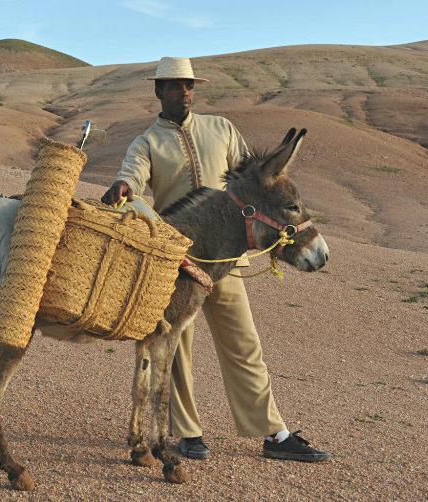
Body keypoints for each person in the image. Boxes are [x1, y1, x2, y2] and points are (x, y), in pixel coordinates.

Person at [100, 57, 330, 462]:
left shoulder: (221, 128)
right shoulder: (147, 142)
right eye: (174, 86)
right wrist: (124, 184)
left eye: (188, 85)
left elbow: (257, 176)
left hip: (229, 260)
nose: (183, 92)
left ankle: (274, 433)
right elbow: (132, 173)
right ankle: (187, 432)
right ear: (158, 91)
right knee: (175, 349)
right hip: (177, 263)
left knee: (244, 344)